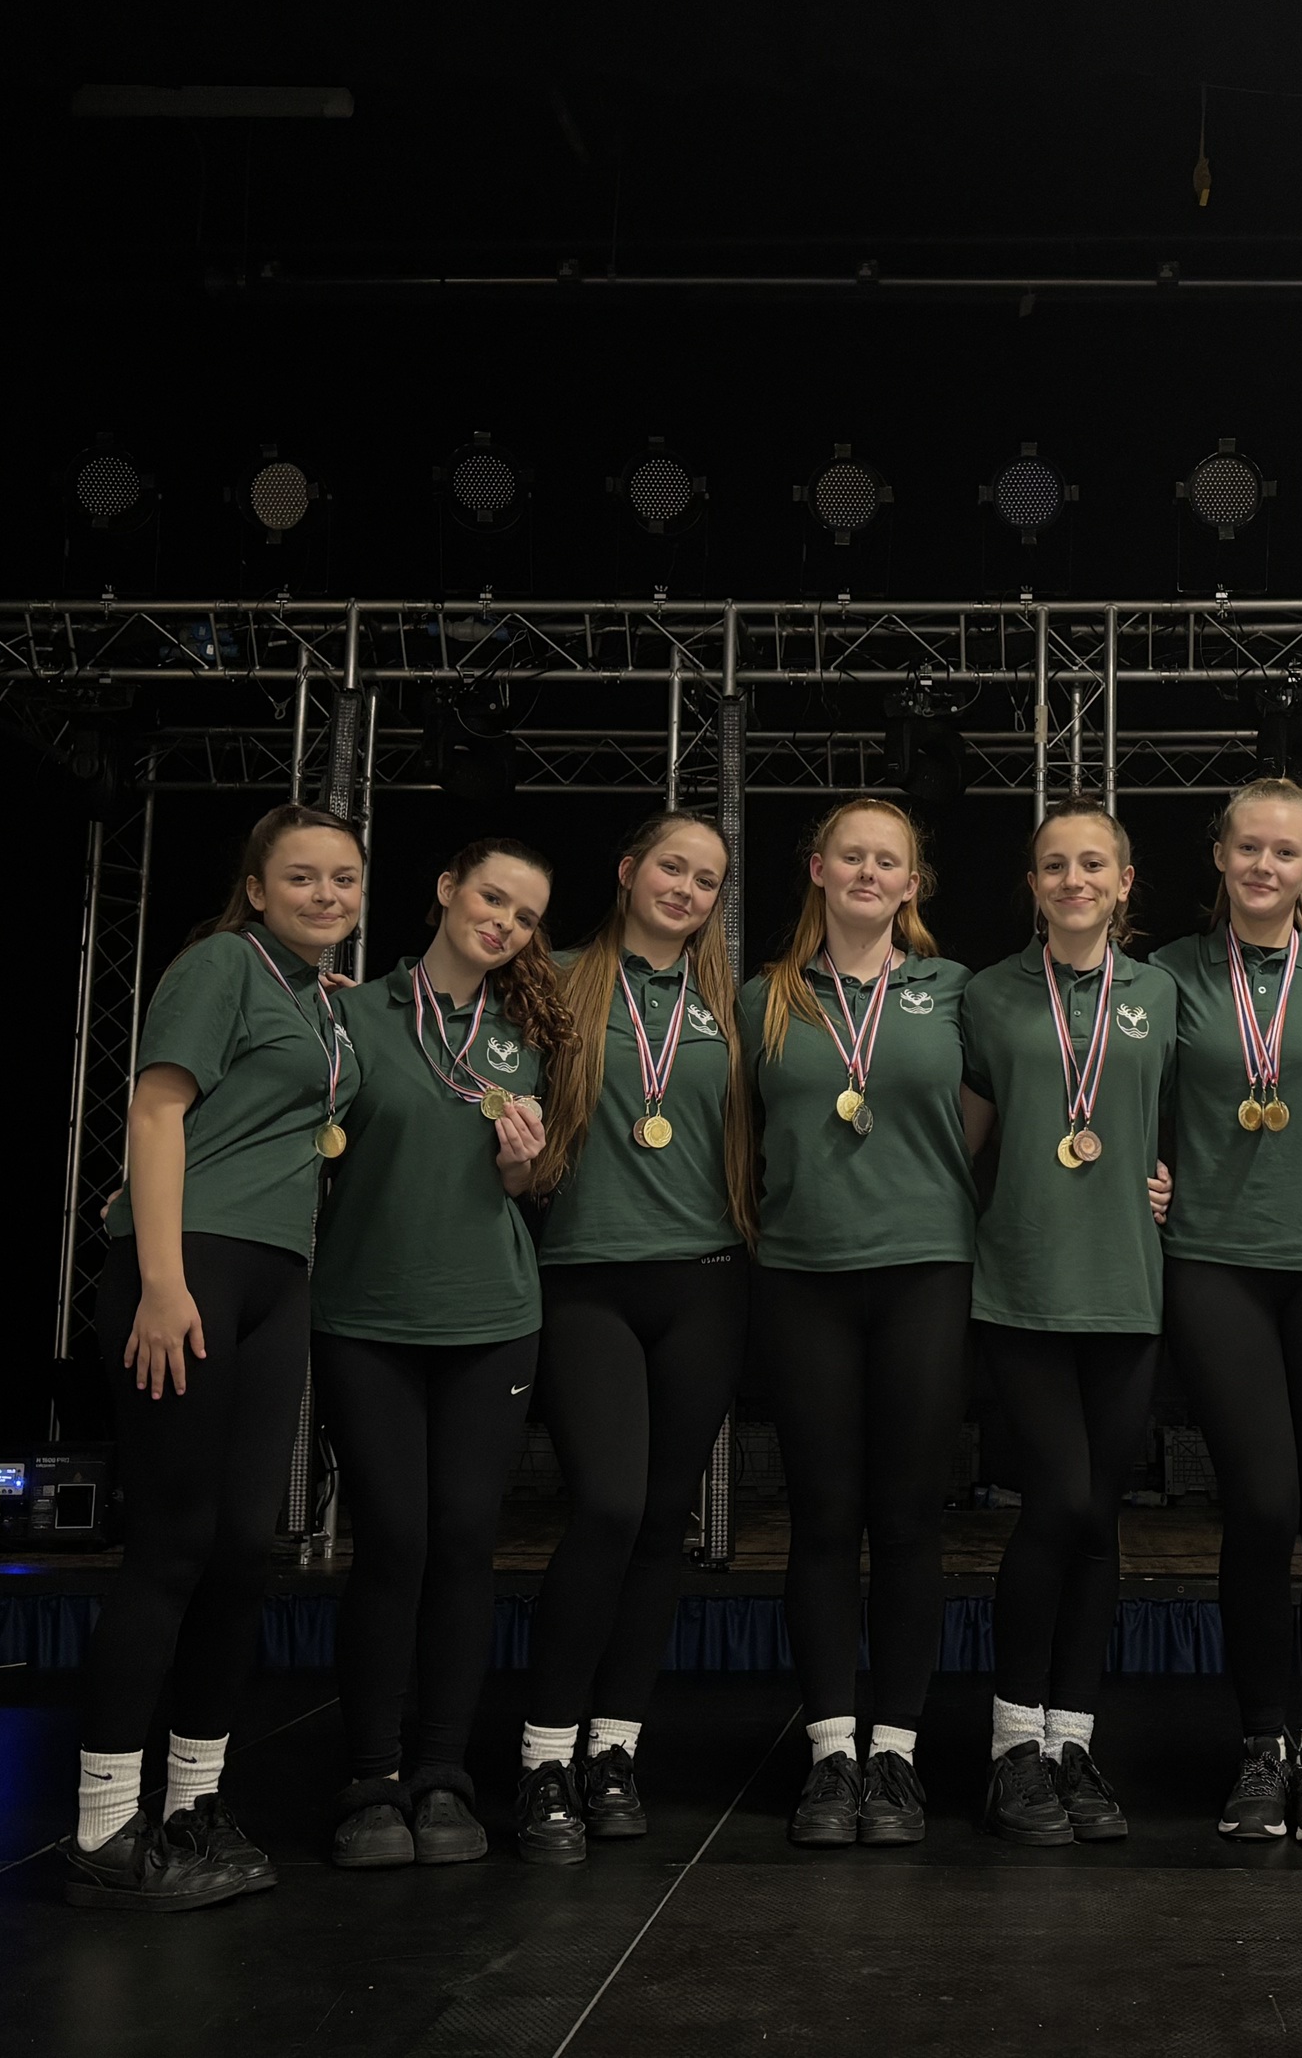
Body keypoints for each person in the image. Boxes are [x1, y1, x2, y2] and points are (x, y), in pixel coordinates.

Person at [66, 803, 364, 1911]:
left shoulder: (322, 1004)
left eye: (344, 879)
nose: (326, 895)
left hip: (277, 1279)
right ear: (256, 887)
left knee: (244, 1550)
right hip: (188, 1266)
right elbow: (155, 1114)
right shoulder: (220, 966)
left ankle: (195, 1802)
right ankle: (104, 1826)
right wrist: (159, 1280)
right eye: (303, 877)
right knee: (173, 1547)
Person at [308, 839, 564, 1872]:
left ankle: (444, 1773)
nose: (504, 922)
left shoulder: (526, 1033)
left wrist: (521, 1168)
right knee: (394, 1543)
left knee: (464, 1542)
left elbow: (524, 1188)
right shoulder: (347, 1014)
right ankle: (371, 1778)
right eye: (492, 897)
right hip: (367, 1317)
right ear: (448, 889)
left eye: (526, 915)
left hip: (492, 1318)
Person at [1152, 777, 1302, 1845]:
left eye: (1286, 852)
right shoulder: (1167, 975)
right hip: (1217, 1265)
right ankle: (1262, 1744)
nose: (1264, 865)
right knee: (1260, 1505)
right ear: (1219, 854)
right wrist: (1143, 1173)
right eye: (1248, 846)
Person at [515, 812, 754, 1863]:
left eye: (706, 880)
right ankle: (543, 1756)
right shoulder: (552, 981)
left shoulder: (734, 1005)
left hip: (706, 1284)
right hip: (585, 1280)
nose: (686, 890)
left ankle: (614, 1750)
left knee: (660, 1522)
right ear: (627, 870)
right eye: (671, 867)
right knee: (607, 1507)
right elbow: (446, 1032)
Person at [740, 797, 977, 1848]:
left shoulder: (956, 992)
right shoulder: (765, 999)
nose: (870, 872)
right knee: (825, 1516)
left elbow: (1026, 1097)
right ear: (818, 869)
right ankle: (832, 1751)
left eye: (890, 860)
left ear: (911, 884)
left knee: (911, 1516)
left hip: (926, 1272)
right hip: (804, 1276)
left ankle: (899, 1756)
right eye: (852, 856)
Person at [959, 799, 1177, 1847]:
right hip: (1022, 1287)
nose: (1075, 880)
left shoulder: (1162, 991)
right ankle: (1013, 1744)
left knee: (1100, 1519)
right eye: (1055, 865)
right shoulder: (986, 995)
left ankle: (1071, 1739)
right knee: (1058, 1502)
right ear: (1034, 884)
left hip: (1128, 1289)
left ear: (1124, 882)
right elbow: (957, 1138)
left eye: (1094, 864)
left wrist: (1175, 1180)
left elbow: (1195, 1116)